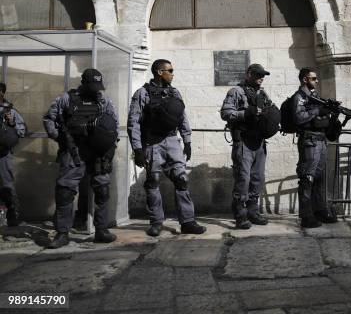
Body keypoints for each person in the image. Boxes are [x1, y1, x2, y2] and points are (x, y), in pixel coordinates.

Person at [43, 69, 119, 248]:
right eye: (92, 86)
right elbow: (48, 119)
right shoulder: (66, 99)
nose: (96, 90)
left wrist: (109, 146)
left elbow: (113, 125)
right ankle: (62, 233)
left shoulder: (104, 101)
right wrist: (58, 137)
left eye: (98, 87)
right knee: (65, 192)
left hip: (98, 153)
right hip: (74, 151)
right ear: (83, 83)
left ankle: (101, 230)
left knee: (102, 190)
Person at [128, 59, 204, 237]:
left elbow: (182, 117)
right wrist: (138, 149)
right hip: (152, 143)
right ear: (159, 72)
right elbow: (133, 122)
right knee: (153, 181)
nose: (172, 73)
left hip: (172, 141)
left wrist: (187, 140)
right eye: (170, 70)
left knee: (181, 180)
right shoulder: (142, 94)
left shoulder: (174, 92)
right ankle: (156, 222)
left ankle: (187, 221)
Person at [220, 64, 273, 229]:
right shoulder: (236, 91)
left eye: (263, 75)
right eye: (258, 75)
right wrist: (246, 113)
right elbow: (225, 113)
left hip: (259, 142)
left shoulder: (262, 93)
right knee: (243, 179)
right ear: (249, 74)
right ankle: (240, 215)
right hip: (243, 142)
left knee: (257, 179)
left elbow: (270, 109)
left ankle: (253, 211)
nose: (261, 78)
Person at [291, 68, 340, 228]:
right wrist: (318, 110)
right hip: (309, 142)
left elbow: (321, 117)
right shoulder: (300, 97)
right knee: (307, 178)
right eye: (313, 78)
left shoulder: (315, 97)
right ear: (305, 79)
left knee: (320, 177)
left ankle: (320, 211)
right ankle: (306, 215)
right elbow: (298, 118)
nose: (316, 81)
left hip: (321, 140)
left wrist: (331, 113)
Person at [0, 82, 27, 227]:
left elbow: (22, 131)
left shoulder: (11, 111)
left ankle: (12, 217)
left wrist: (12, 123)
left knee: (7, 184)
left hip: (4, 154)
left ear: (2, 93)